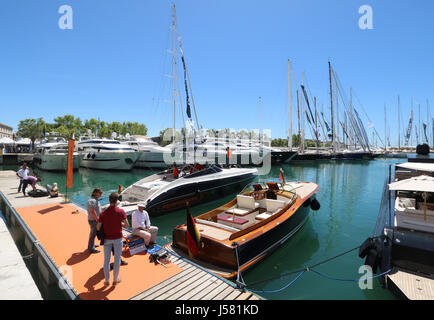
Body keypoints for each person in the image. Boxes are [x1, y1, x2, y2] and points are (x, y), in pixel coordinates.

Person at [97, 193, 129, 286]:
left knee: (106, 260)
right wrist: (120, 224)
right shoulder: (121, 211)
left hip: (107, 239)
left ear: (109, 200)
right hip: (118, 238)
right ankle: (115, 280)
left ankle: (107, 280)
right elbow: (127, 225)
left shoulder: (103, 213)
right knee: (117, 259)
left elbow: (98, 228)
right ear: (116, 201)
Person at [87, 188, 102, 254]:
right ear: (95, 193)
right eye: (100, 193)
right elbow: (92, 212)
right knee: (93, 234)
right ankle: (91, 248)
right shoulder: (92, 201)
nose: (101, 194)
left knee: (94, 234)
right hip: (94, 220)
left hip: (94, 220)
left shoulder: (95, 200)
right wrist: (97, 220)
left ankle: (92, 245)